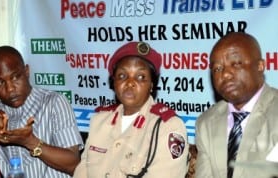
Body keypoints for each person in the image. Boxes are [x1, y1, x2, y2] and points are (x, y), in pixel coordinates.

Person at [73, 41, 189, 178]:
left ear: (151, 84)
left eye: (140, 77)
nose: (129, 83)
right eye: (122, 76)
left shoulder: (168, 127)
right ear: (114, 82)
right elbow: (82, 172)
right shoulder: (99, 120)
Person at [0, 46, 84, 177]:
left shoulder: (53, 103)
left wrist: (31, 142)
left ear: (27, 72)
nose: (10, 88)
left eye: (15, 77)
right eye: (0, 82)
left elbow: (74, 164)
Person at [195, 32, 278, 178]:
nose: (225, 74)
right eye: (217, 69)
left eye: (236, 63)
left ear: (260, 66)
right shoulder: (206, 122)